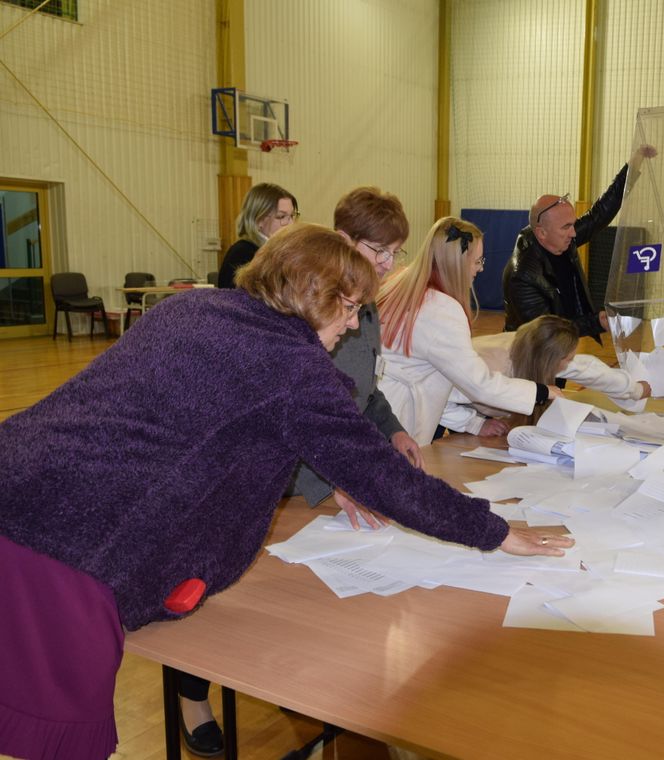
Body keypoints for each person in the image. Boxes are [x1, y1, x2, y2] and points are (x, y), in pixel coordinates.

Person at [0, 223, 572, 760]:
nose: (352, 325)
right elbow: (386, 479)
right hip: (64, 547)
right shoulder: (293, 368)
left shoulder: (193, 306)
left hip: (17, 479)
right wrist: (495, 533)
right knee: (62, 737)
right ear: (307, 294)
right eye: (348, 307)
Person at [176, 188, 425, 756]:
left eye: (395, 253)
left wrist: (392, 430)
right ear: (340, 243)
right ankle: (194, 696)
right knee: (222, 589)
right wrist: (334, 477)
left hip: (331, 473)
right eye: (376, 250)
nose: (388, 264)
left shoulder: (363, 304)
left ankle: (308, 691)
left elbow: (362, 393)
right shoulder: (298, 304)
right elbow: (281, 413)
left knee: (315, 601)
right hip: (284, 478)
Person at [377, 217, 562, 446]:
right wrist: (541, 392)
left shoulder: (402, 287)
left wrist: (473, 423)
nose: (481, 268)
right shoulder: (440, 310)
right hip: (395, 428)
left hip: (382, 417)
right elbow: (480, 385)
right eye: (477, 261)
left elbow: (437, 381)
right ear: (458, 263)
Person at [501, 146, 657, 341]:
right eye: (566, 227)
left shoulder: (559, 238)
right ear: (541, 232)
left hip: (559, 344)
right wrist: (595, 322)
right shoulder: (523, 276)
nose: (574, 233)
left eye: (573, 225)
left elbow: (601, 213)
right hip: (530, 354)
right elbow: (545, 332)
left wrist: (635, 162)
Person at [440, 315, 652, 436]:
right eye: (567, 358)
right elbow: (440, 402)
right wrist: (475, 424)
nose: (570, 363)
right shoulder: (486, 367)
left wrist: (635, 389)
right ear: (549, 360)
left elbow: (589, 370)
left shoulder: (538, 348)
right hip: (438, 403)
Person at [216, 183, 299, 289]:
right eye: (281, 216)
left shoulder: (278, 251)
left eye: (292, 216)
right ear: (258, 219)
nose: (290, 223)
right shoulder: (243, 254)